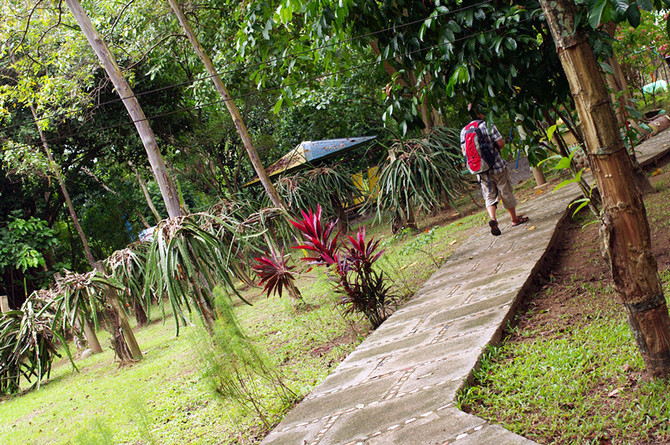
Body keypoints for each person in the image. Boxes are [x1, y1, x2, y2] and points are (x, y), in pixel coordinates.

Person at [461, 103, 529, 236]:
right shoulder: (488, 125)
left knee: (489, 194)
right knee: (505, 191)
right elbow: (501, 144)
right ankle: (514, 219)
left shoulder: (464, 131)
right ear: (479, 112)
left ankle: (493, 219)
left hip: (480, 169)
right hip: (497, 166)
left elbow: (465, 152)